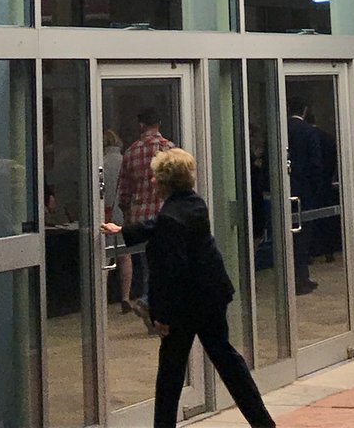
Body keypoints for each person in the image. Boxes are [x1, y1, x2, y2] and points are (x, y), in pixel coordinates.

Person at [101, 148, 275, 428]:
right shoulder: (194, 204)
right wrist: (123, 230)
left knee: (169, 374)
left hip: (186, 305)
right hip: (212, 297)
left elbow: (170, 273)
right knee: (227, 360)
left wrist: (162, 317)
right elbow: (160, 224)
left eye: (156, 177)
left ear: (165, 181)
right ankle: (263, 422)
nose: (153, 182)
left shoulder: (171, 218)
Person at [117, 108, 173, 328]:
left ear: (140, 125)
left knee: (149, 266)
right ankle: (148, 302)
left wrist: (129, 212)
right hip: (164, 216)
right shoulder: (169, 149)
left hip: (140, 218)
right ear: (158, 123)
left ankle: (153, 317)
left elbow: (124, 192)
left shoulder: (130, 152)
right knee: (164, 267)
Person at [286, 96, 322, 294]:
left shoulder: (280, 130)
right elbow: (316, 165)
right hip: (305, 191)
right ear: (305, 110)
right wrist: (316, 190)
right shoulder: (308, 132)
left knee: (288, 237)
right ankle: (301, 278)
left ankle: (290, 277)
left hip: (285, 190)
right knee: (303, 236)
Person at [102, 129, 133, 312]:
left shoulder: (101, 163)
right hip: (123, 211)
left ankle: (102, 298)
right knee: (125, 256)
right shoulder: (125, 161)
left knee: (105, 256)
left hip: (106, 212)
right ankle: (126, 296)